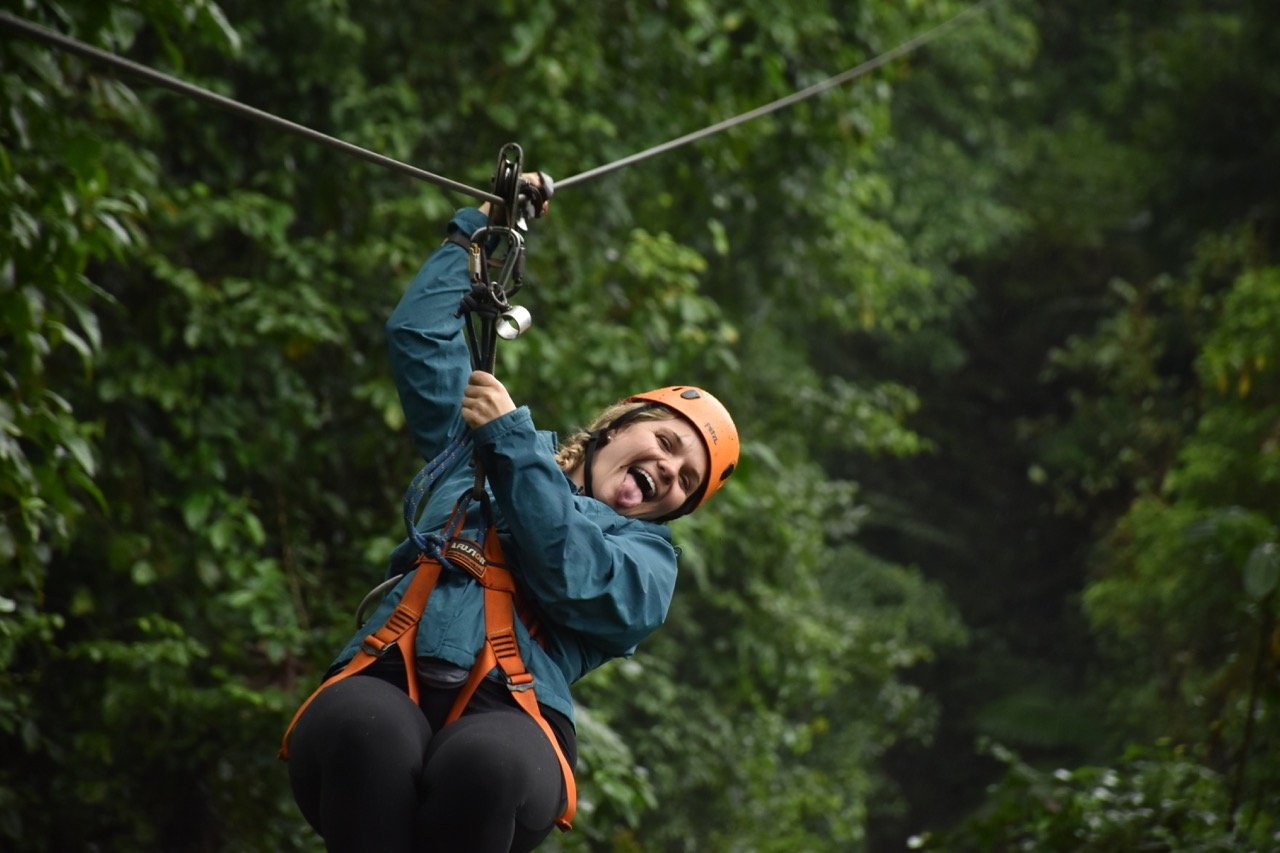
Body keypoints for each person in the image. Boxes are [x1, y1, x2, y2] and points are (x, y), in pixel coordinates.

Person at [281, 175, 739, 852]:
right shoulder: (475, 446)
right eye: (667, 444)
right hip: (387, 669)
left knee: (486, 766)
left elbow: (567, 566)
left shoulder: (646, 563)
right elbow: (420, 336)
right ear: (616, 426)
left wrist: (508, 440)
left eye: (686, 482)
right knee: (367, 732)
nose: (670, 471)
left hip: (514, 712)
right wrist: (479, 231)